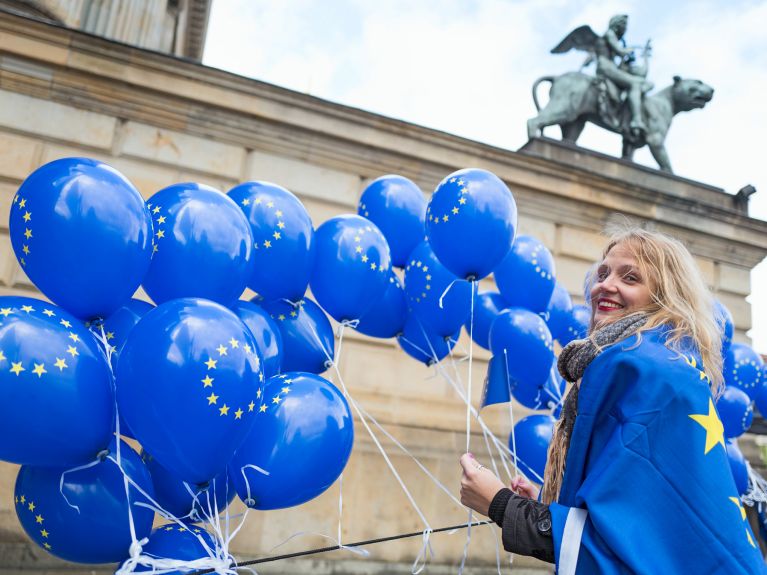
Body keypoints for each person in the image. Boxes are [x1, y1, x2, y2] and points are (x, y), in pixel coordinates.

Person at [459, 227, 766, 573]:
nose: (605, 284)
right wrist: (544, 509)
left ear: (665, 297)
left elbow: (617, 550)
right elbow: (640, 527)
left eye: (630, 277)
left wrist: (501, 504)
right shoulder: (661, 366)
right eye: (603, 273)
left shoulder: (635, 369)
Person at [594, 14, 652, 136]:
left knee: (638, 82)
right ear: (618, 25)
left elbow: (641, 73)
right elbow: (620, 51)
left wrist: (645, 55)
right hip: (606, 67)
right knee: (634, 83)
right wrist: (630, 50)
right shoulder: (610, 33)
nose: (625, 29)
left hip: (610, 67)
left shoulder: (613, 36)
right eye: (624, 26)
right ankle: (636, 120)